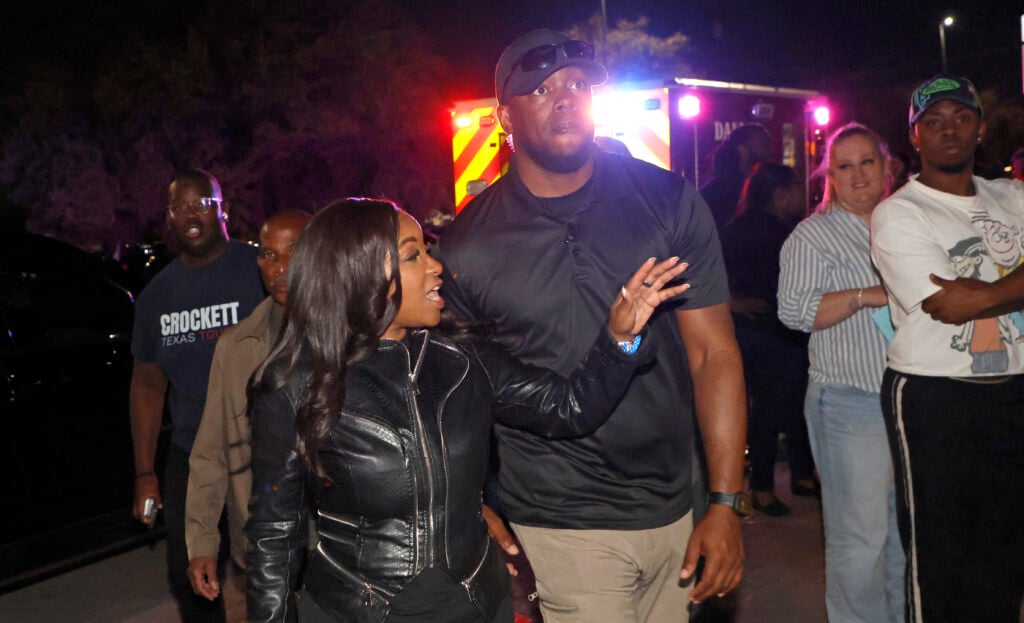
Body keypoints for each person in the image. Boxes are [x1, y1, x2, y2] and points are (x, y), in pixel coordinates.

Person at [244, 198, 690, 623]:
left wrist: (621, 338)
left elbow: (570, 408)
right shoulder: (296, 385)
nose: (436, 266)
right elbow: (273, 537)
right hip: (357, 609)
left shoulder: (463, 360)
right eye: (413, 255)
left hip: (476, 602)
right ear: (362, 272)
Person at [436, 29, 746, 622]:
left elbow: (713, 354)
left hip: (675, 502)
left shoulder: (668, 201)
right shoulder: (467, 246)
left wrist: (725, 502)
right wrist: (469, 500)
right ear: (504, 116)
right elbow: (460, 392)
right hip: (560, 512)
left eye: (579, 84)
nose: (566, 97)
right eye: (541, 88)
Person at [871, 75, 1024, 622]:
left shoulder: (1013, 196)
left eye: (960, 118)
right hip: (935, 395)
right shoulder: (899, 212)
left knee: (1007, 547)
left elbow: (973, 299)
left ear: (981, 128)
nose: (948, 131)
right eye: (932, 122)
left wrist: (987, 294)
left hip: (1014, 392)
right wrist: (1012, 287)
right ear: (914, 138)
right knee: (941, 554)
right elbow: (949, 306)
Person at [778, 123, 905, 622]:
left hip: (906, 397)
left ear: (886, 166)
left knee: (899, 532)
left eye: (866, 163)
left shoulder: (903, 223)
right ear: (829, 176)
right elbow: (794, 310)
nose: (857, 175)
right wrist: (865, 295)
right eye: (844, 166)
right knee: (861, 539)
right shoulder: (815, 235)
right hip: (851, 400)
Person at [130, 169, 266, 622]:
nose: (189, 214)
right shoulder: (157, 296)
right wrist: (145, 471)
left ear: (220, 208)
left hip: (260, 447)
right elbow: (148, 387)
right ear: (168, 218)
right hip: (192, 452)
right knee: (190, 574)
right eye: (178, 207)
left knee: (269, 570)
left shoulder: (258, 268)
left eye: (200, 203)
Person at [184, 210, 312, 606]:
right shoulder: (237, 345)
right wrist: (202, 541)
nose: (281, 268)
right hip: (267, 545)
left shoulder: (353, 335)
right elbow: (211, 448)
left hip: (345, 545)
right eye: (269, 255)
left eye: (294, 251)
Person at [721, 162, 816, 517]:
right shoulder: (786, 234)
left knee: (768, 407)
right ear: (780, 194)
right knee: (776, 409)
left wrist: (733, 304)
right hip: (777, 332)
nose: (800, 195)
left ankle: (794, 476)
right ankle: (765, 485)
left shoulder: (734, 227)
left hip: (743, 329)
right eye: (795, 188)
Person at [700, 123, 773, 231]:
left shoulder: (765, 187)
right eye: (763, 143)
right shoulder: (718, 194)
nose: (770, 150)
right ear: (742, 150)